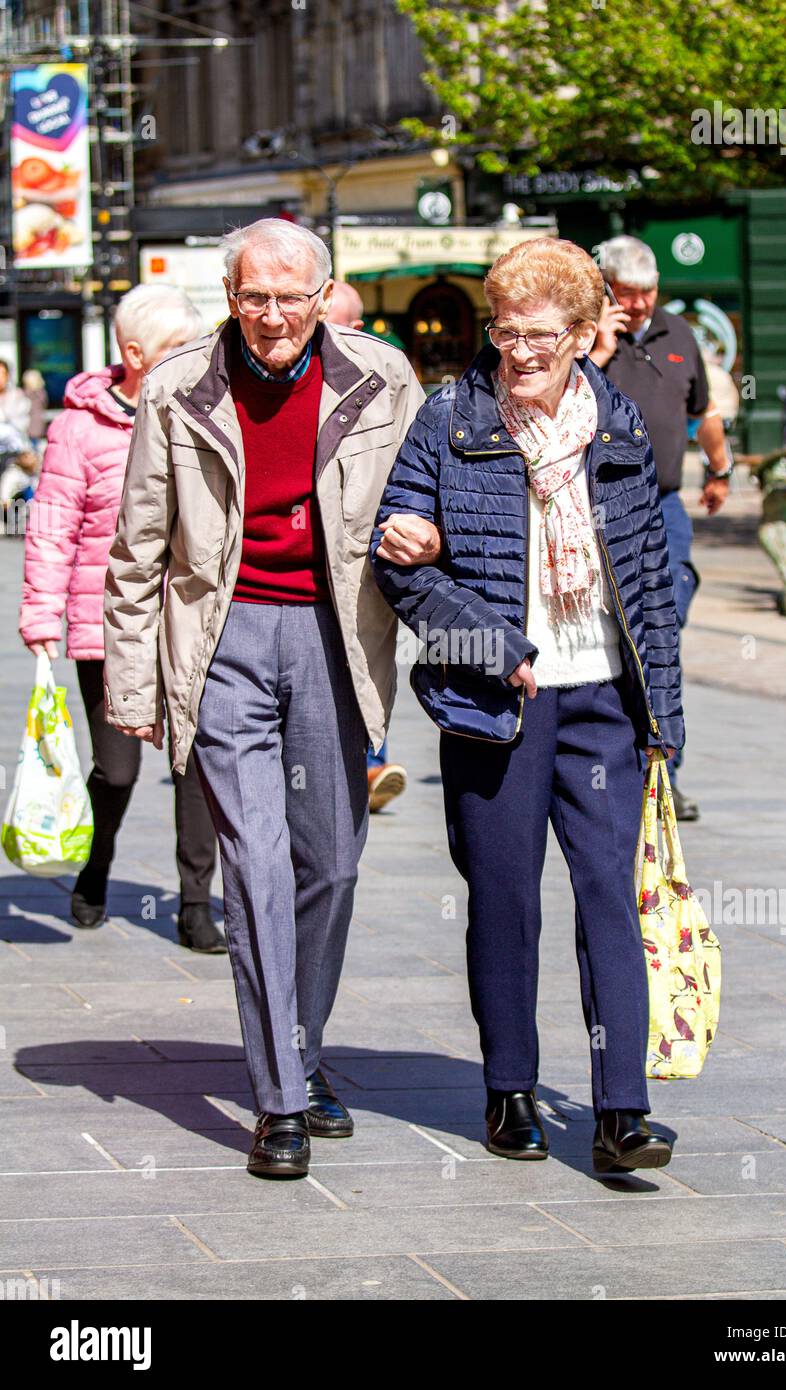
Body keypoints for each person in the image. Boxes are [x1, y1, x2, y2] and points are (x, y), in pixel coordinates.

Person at [103, 219, 435, 1180]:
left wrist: (431, 540)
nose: (274, 316)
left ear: (325, 295)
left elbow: (432, 497)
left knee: (329, 861)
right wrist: (134, 685)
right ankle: (279, 1097)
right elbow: (137, 553)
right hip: (223, 639)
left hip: (338, 637)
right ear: (230, 296)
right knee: (255, 867)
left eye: (293, 297)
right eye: (256, 297)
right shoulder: (176, 387)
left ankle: (302, 1045)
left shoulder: (382, 379)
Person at [371, 237, 683, 1174]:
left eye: (543, 334)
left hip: (601, 700)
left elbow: (652, 583)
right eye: (506, 332)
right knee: (504, 899)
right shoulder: (449, 418)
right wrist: (491, 646)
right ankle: (509, 1091)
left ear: (587, 335)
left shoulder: (620, 426)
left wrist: (662, 715)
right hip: (497, 703)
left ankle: (620, 1111)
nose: (522, 351)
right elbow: (399, 568)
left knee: (607, 902)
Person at [19, 285, 224, 952]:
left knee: (194, 763)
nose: (192, 360)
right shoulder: (78, 427)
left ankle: (196, 905)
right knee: (117, 770)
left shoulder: (205, 410)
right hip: (106, 626)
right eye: (176, 350)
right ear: (135, 355)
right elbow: (50, 529)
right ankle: (97, 865)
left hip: (191, 620)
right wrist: (41, 616)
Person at [590, 235, 732, 822]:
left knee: (665, 620)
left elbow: (704, 413)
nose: (642, 304)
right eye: (629, 293)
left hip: (664, 503)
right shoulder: (585, 335)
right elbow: (556, 398)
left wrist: (721, 470)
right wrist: (599, 346)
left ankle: (663, 777)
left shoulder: (680, 334)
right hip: (599, 503)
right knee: (613, 635)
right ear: (606, 290)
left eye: (649, 292)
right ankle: (611, 766)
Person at [326, 279, 409, 813]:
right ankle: (365, 765)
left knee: (364, 661)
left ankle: (371, 760)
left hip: (366, 565)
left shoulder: (388, 382)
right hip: (305, 578)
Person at [0, 358, 31, 437]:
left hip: (14, 444)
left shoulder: (18, 396)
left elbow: (23, 423)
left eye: (2, 375)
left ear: (7, 376)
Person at [21, 368, 48, 450]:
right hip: (38, 425)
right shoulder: (42, 393)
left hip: (30, 426)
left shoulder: (26, 394)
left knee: (32, 449)